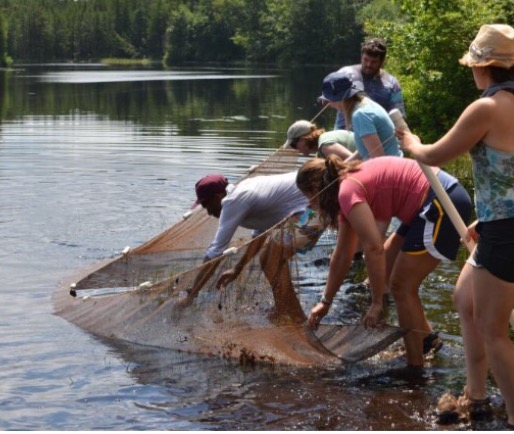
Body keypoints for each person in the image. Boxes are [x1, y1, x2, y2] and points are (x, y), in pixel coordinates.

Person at [397, 24, 514, 426]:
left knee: (494, 330)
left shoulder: (487, 107)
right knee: (464, 299)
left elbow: (435, 155)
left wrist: (410, 142)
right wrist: (487, 214)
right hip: (499, 224)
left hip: (507, 234)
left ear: (483, 68)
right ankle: (476, 396)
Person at [296, 155, 472, 371]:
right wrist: (326, 301)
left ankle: (414, 369)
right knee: (390, 273)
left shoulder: (347, 190)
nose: (310, 204)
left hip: (441, 201)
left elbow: (373, 248)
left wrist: (377, 303)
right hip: (428, 203)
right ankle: (426, 340)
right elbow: (342, 255)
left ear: (317, 187)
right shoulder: (347, 187)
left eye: (308, 196)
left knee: (401, 286)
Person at [320, 69, 403, 161]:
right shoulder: (365, 102)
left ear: (339, 99)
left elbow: (379, 159)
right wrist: (343, 166)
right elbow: (364, 149)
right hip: (391, 164)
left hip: (389, 170)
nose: (330, 105)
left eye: (329, 100)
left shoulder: (360, 115)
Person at [334, 38, 406, 130]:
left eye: (374, 62)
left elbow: (398, 116)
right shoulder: (345, 74)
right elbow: (330, 100)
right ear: (361, 56)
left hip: (375, 139)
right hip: (344, 134)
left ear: (382, 61)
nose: (368, 64)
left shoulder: (392, 84)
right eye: (366, 59)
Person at [283, 120, 356, 160]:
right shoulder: (320, 152)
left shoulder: (325, 145)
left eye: (294, 145)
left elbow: (355, 161)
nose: (296, 150)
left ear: (303, 140)